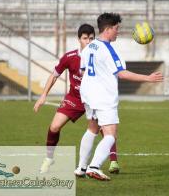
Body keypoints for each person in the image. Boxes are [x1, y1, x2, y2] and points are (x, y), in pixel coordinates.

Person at [76, 13, 163, 181]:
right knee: (110, 135)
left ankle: (81, 167)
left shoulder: (89, 47)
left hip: (88, 94)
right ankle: (94, 167)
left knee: (92, 129)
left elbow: (83, 70)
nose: (118, 32)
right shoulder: (110, 49)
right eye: (116, 28)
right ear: (108, 29)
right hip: (103, 97)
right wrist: (148, 78)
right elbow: (122, 73)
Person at [33, 24, 120, 175]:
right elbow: (54, 75)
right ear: (79, 39)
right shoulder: (70, 57)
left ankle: (113, 161)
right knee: (54, 127)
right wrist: (43, 95)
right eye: (85, 38)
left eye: (91, 38)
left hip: (93, 99)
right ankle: (49, 158)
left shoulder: (99, 54)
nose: (88, 41)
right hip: (74, 99)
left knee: (105, 129)